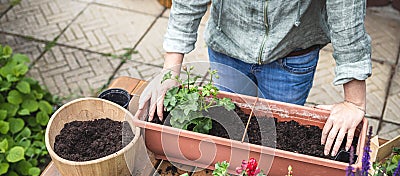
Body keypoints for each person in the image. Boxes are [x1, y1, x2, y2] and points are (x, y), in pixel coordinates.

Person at [138, 0, 372, 157]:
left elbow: (346, 15)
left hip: (292, 55)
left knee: (277, 140)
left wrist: (354, 101)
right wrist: (170, 70)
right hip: (227, 49)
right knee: (231, 129)